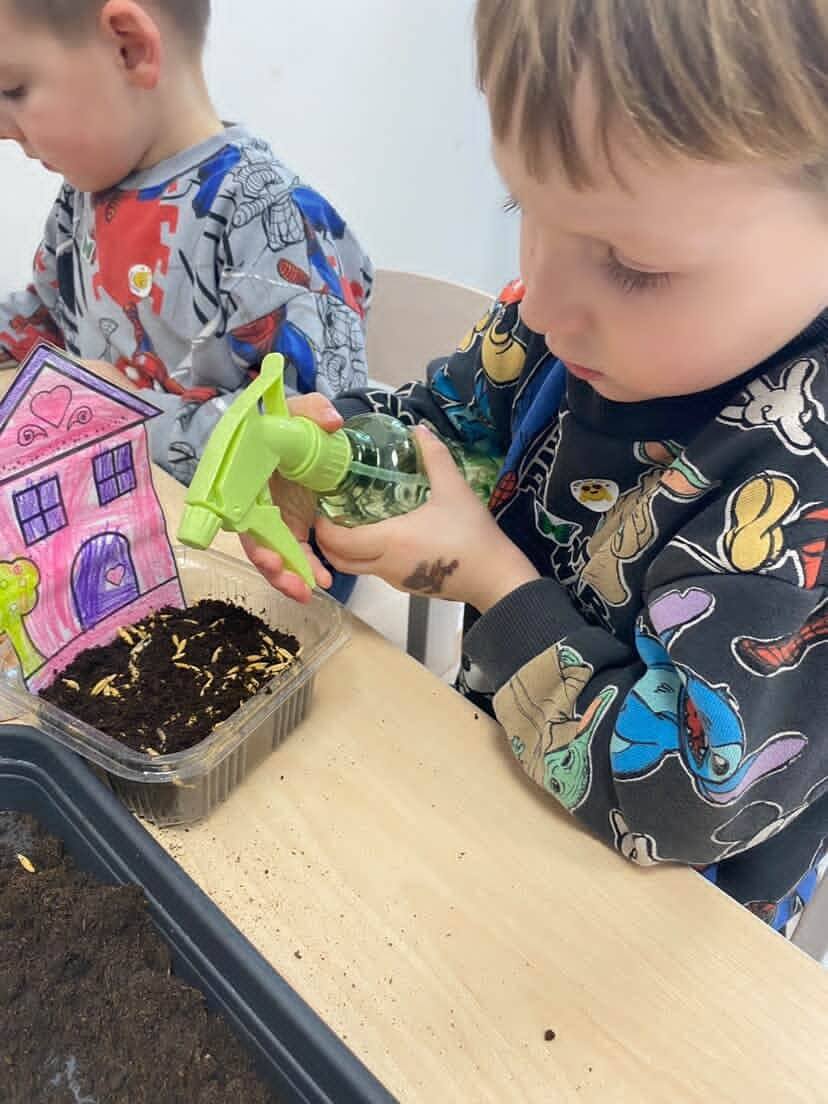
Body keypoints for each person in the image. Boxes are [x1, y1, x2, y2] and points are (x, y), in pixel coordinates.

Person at [246, 0, 828, 936]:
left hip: (662, 943)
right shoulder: (557, 324)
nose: (544, 302)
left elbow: (681, 800)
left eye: (633, 264)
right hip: (485, 816)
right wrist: (336, 455)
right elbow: (441, 433)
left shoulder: (801, 483)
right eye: (523, 208)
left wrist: (487, 576)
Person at [0, 0, 373, 487]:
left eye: (13, 89)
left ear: (129, 48)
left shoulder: (270, 217)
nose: (2, 129)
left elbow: (306, 442)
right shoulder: (84, 195)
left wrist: (116, 413)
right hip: (115, 503)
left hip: (234, 530)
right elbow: (48, 320)